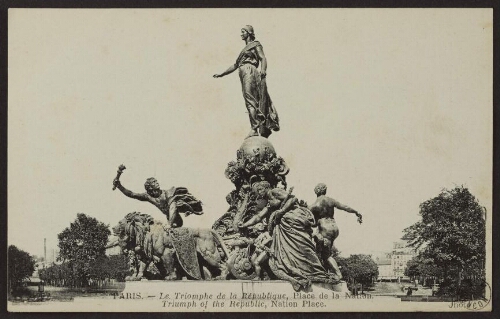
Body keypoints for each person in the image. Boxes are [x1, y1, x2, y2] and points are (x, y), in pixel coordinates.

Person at [239, 187, 339, 291]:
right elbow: (258, 217)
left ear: (263, 188)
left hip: (293, 220)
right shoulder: (268, 204)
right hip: (283, 227)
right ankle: (299, 272)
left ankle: (315, 270)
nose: (258, 195)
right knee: (289, 253)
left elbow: (293, 199)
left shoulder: (275, 191)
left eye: (258, 191)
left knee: (303, 246)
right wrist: (244, 225)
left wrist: (282, 211)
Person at [213, 25, 279, 138]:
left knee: (250, 100)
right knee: (249, 100)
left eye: (243, 32)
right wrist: (222, 74)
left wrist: (263, 69)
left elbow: (263, 58)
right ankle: (255, 125)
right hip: (243, 72)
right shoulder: (244, 50)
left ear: (249, 33)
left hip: (250, 71)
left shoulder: (255, 44)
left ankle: (254, 127)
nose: (241, 34)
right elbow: (235, 65)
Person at [309, 183, 362, 280]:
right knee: (323, 251)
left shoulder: (313, 205)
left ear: (316, 191)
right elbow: (345, 207)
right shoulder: (331, 201)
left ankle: (338, 274)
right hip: (334, 228)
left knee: (325, 255)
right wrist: (356, 212)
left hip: (324, 229)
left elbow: (313, 223)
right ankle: (325, 273)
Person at [113, 175, 203, 228]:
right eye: (154, 182)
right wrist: (119, 186)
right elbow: (132, 194)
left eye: (156, 181)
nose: (157, 182)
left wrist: (169, 224)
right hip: (169, 217)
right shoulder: (148, 196)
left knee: (175, 206)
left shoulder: (167, 193)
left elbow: (172, 207)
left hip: (173, 217)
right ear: (150, 187)